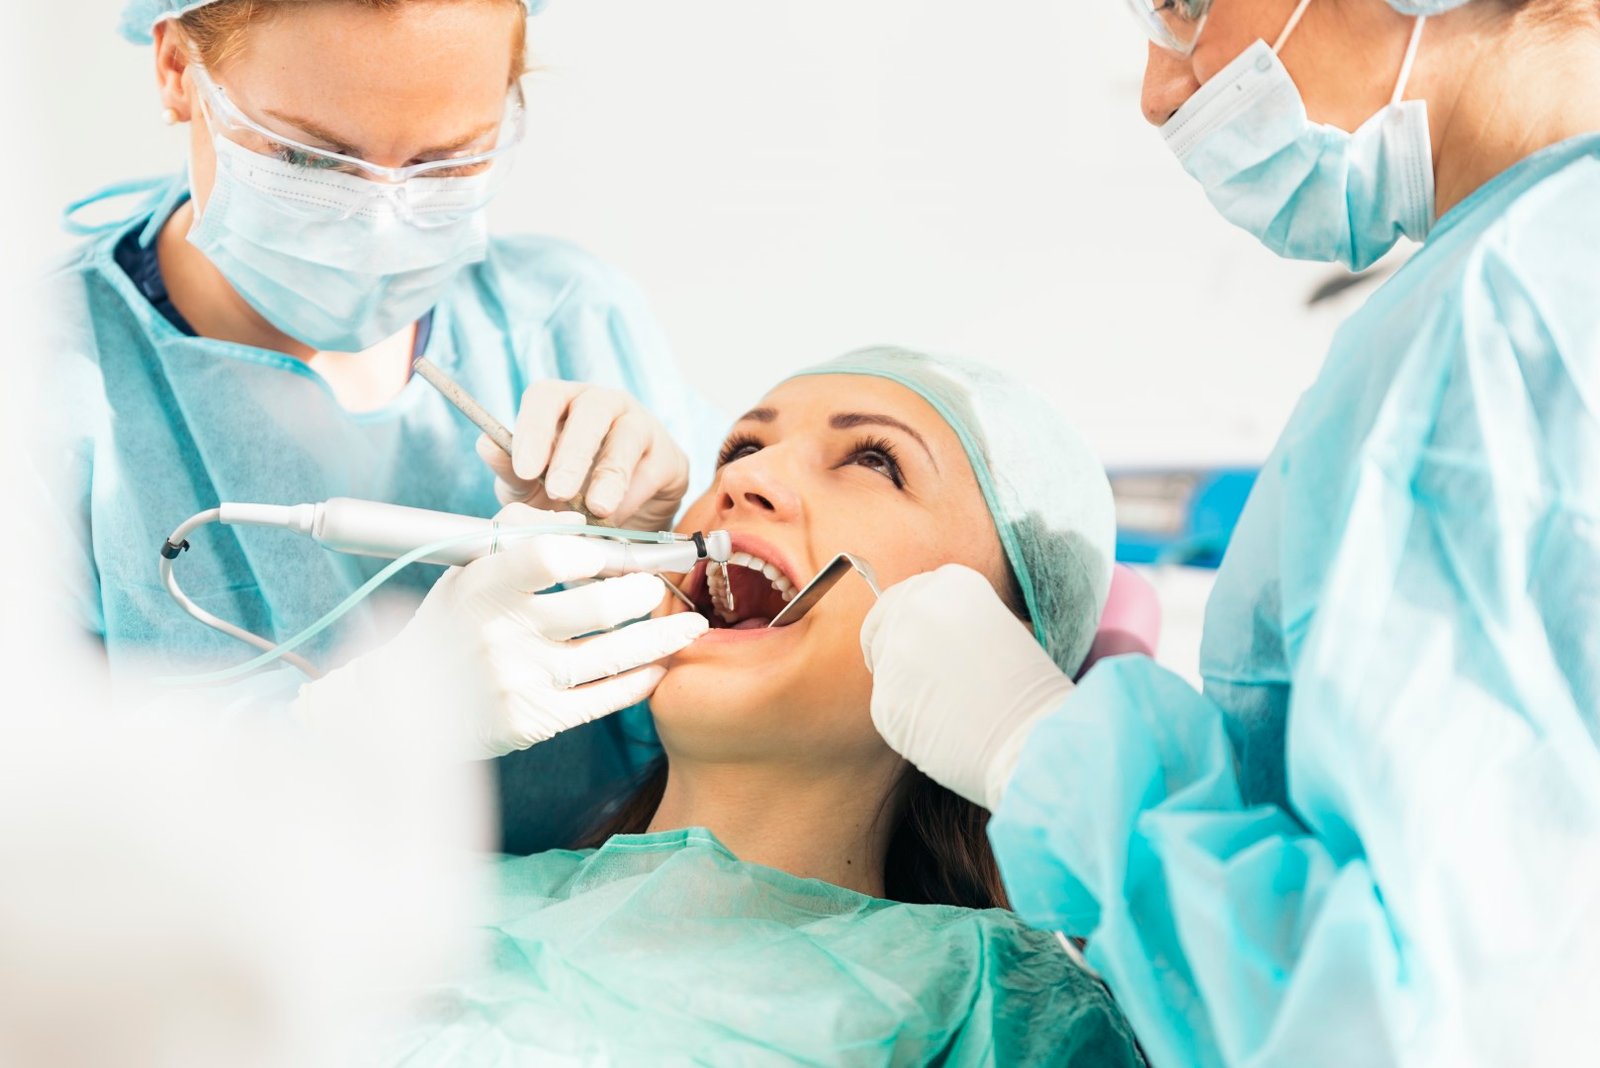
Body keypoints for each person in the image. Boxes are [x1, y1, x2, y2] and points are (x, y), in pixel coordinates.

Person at [862, 0, 1600, 1063]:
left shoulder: (1521, 315)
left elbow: (1407, 1024)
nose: (1161, 90)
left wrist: (1042, 753)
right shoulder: (1506, 292)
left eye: (1182, 4)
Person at [39, 0, 716, 850]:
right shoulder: (42, 386)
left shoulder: (574, 322)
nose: (381, 225)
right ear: (178, 70)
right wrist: (347, 733)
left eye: (447, 162)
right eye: (308, 159)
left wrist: (655, 556)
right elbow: (35, 835)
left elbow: (748, 736)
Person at [366, 347, 1144, 1065]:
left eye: (875, 460)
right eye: (739, 450)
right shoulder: (402, 901)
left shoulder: (997, 1009)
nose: (745, 481)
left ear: (997, 640)